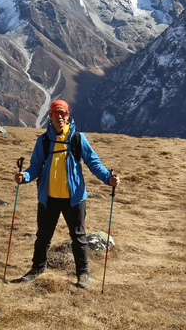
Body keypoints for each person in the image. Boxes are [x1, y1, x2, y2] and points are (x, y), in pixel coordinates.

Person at [14, 99, 120, 289]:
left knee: (78, 236)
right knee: (43, 237)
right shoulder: (44, 141)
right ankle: (37, 269)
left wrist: (108, 178)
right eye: (56, 113)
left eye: (63, 113)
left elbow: (93, 162)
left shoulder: (78, 139)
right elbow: (36, 166)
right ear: (51, 117)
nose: (60, 117)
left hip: (74, 198)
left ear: (68, 115)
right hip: (49, 197)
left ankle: (82, 273)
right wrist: (25, 176)